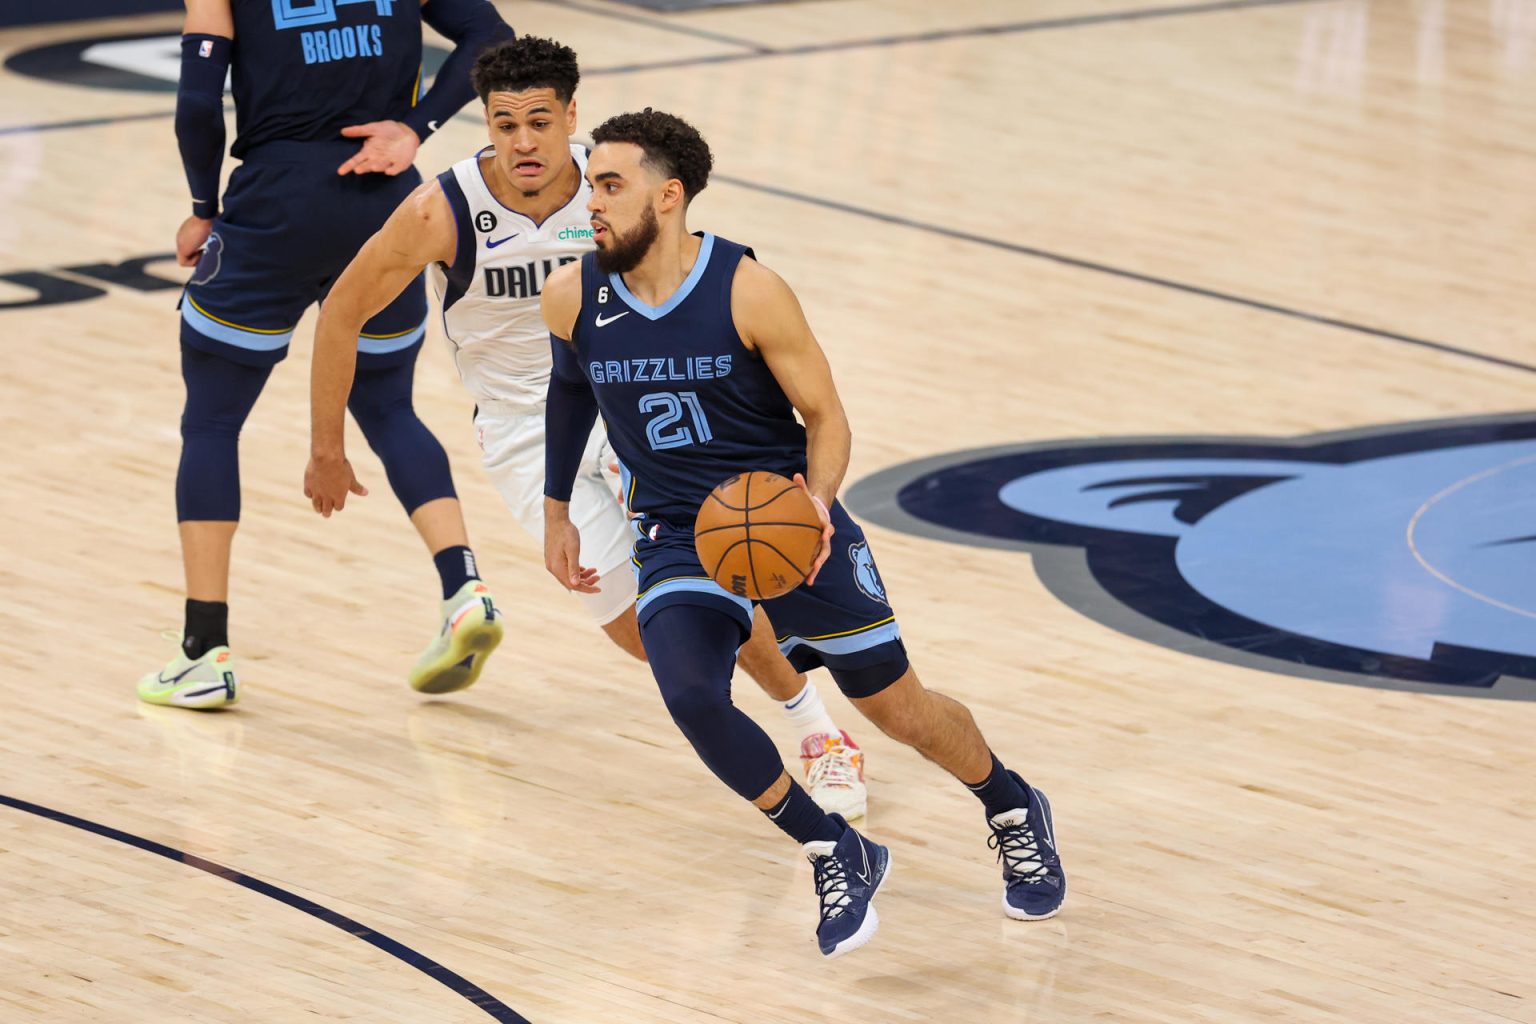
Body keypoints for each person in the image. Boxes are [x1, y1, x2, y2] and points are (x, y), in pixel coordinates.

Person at [540, 110, 1066, 958]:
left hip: (789, 523)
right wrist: (556, 508)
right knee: (689, 696)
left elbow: (826, 418)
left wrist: (817, 507)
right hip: (680, 533)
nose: (587, 200)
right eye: (588, 182)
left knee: (901, 712)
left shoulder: (748, 289)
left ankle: (1010, 802)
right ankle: (834, 846)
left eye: (608, 184)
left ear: (667, 196)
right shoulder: (572, 294)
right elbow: (569, 392)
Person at [303, 37, 868, 817]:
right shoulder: (444, 208)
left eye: (540, 121)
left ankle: (819, 733)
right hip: (519, 429)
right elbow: (341, 311)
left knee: (712, 567)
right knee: (632, 625)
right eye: (505, 125)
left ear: (572, 115)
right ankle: (782, 715)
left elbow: (697, 280)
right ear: (488, 126)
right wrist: (327, 447)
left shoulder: (613, 190)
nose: (524, 142)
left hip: (626, 399)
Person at [138, 0, 515, 710]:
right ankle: (464, 589)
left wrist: (202, 202)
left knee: (213, 422)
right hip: (386, 200)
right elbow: (491, 36)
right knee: (388, 405)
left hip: (275, 204)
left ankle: (203, 651)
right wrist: (414, 126)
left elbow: (197, 102)